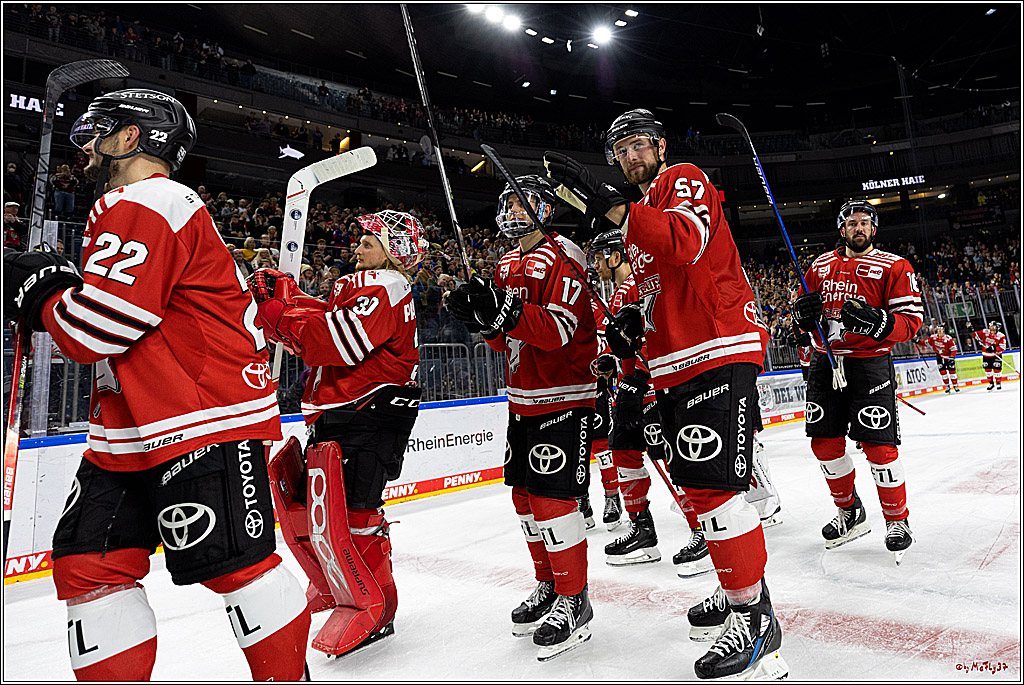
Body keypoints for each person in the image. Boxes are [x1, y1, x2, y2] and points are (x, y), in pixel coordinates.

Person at [2, 88, 309, 681]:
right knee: (90, 562)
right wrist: (54, 283)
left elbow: (95, 330)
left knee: (234, 566)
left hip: (201, 415)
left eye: (98, 134)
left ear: (130, 138)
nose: (86, 150)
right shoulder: (140, 206)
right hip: (134, 425)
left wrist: (40, 291)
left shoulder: (148, 199)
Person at [545, 109, 786, 680]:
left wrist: (617, 209)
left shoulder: (681, 178)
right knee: (703, 493)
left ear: (658, 145)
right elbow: (658, 288)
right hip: (673, 364)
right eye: (620, 150)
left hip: (718, 348)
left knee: (713, 491)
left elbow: (685, 241)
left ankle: (755, 618)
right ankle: (740, 591)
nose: (630, 156)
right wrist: (632, 326)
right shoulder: (638, 220)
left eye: (637, 145)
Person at [247, 209, 426, 657]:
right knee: (317, 510)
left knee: (355, 514)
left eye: (369, 243)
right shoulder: (365, 286)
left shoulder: (386, 284)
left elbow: (336, 342)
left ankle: (377, 606)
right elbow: (323, 326)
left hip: (369, 412)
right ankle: (336, 584)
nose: (357, 248)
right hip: (346, 410)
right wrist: (285, 305)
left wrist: (280, 312)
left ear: (395, 251)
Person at [447, 175, 597, 662]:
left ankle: (575, 598)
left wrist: (505, 313)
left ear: (545, 209)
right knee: (525, 498)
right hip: (523, 396)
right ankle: (550, 585)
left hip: (564, 394)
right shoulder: (506, 262)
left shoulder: (565, 255)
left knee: (554, 501)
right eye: (507, 199)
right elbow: (504, 340)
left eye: (521, 200)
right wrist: (482, 318)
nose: (511, 208)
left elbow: (556, 331)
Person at [792, 200, 923, 568]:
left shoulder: (894, 266)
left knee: (879, 448)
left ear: (874, 228)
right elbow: (805, 317)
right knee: (824, 444)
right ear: (842, 228)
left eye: (865, 222)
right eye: (851, 222)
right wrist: (802, 319)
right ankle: (849, 510)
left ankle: (898, 520)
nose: (858, 227)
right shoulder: (819, 265)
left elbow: (911, 320)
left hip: (869, 365)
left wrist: (879, 323)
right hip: (825, 361)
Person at [587, 229, 678, 568]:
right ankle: (643, 530)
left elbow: (655, 334)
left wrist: (638, 373)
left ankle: (701, 531)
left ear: (616, 256)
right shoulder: (616, 295)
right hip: (629, 387)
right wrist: (613, 363)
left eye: (599, 257)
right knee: (623, 452)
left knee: (668, 457)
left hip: (652, 386)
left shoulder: (638, 285)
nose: (595, 264)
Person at [967, 320, 1007, 390]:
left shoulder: (1001, 336)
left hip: (996, 355)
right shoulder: (985, 332)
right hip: (986, 355)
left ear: (995, 327)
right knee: (988, 370)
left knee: (997, 370)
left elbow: (1003, 347)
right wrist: (971, 330)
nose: (989, 327)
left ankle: (998, 383)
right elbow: (976, 335)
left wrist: (993, 348)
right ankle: (991, 383)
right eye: (990, 325)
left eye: (991, 326)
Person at [922, 323, 959, 392]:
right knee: (943, 373)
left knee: (952, 372)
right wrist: (917, 341)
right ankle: (947, 386)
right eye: (938, 329)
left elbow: (954, 349)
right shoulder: (933, 337)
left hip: (948, 357)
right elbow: (926, 343)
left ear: (943, 330)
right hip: (939, 356)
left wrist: (952, 357)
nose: (939, 331)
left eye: (941, 330)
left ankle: (955, 385)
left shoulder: (948, 338)